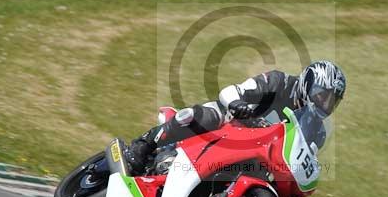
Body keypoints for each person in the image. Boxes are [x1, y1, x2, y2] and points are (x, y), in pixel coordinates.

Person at [124, 60, 346, 175]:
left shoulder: (317, 132)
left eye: (331, 101)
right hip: (231, 123)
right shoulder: (278, 82)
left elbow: (301, 163)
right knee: (200, 115)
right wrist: (239, 105)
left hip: (256, 155)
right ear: (308, 83)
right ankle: (143, 145)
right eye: (322, 95)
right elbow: (231, 91)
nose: (324, 104)